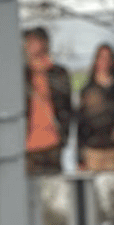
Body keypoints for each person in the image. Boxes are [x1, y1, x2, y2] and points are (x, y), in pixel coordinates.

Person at [24, 26, 73, 175]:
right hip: (28, 145)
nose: (28, 45)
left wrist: (64, 135)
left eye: (33, 41)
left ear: (44, 43)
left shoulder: (58, 73)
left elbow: (66, 105)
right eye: (28, 42)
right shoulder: (23, 74)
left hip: (53, 142)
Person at [77, 44, 114, 172]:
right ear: (96, 61)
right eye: (101, 58)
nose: (105, 62)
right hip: (93, 152)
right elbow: (80, 124)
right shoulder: (87, 91)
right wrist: (79, 159)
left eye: (108, 58)